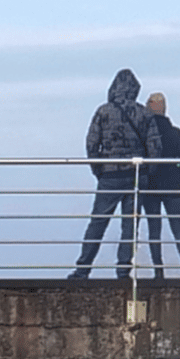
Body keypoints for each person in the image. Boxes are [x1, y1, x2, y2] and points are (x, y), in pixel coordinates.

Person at [68, 69, 162, 279]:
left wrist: (99, 171)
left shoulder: (103, 111)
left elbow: (92, 145)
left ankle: (83, 269)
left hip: (110, 176)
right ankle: (123, 270)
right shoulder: (144, 113)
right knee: (130, 226)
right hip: (137, 176)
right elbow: (155, 148)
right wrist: (147, 174)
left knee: (98, 222)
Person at [140, 92, 180, 279]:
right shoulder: (175, 133)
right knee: (178, 228)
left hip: (150, 187)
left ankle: (158, 272)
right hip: (173, 188)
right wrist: (178, 179)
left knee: (154, 229)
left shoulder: (143, 134)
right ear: (164, 109)